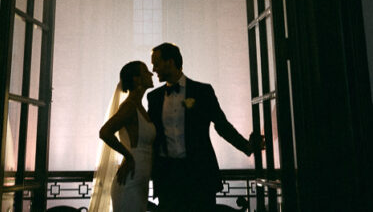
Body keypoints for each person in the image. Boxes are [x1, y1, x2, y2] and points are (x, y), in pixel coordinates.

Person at [147, 42, 262, 212]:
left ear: (170, 62)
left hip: (199, 173)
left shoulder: (203, 91)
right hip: (167, 176)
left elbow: (221, 125)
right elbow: (150, 135)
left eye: (156, 63)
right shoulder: (154, 97)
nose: (154, 69)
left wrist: (246, 146)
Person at [93, 61, 157, 212]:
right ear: (136, 79)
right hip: (129, 181)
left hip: (141, 180)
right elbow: (105, 132)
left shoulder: (140, 106)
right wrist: (128, 157)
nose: (151, 74)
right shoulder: (129, 107)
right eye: (146, 71)